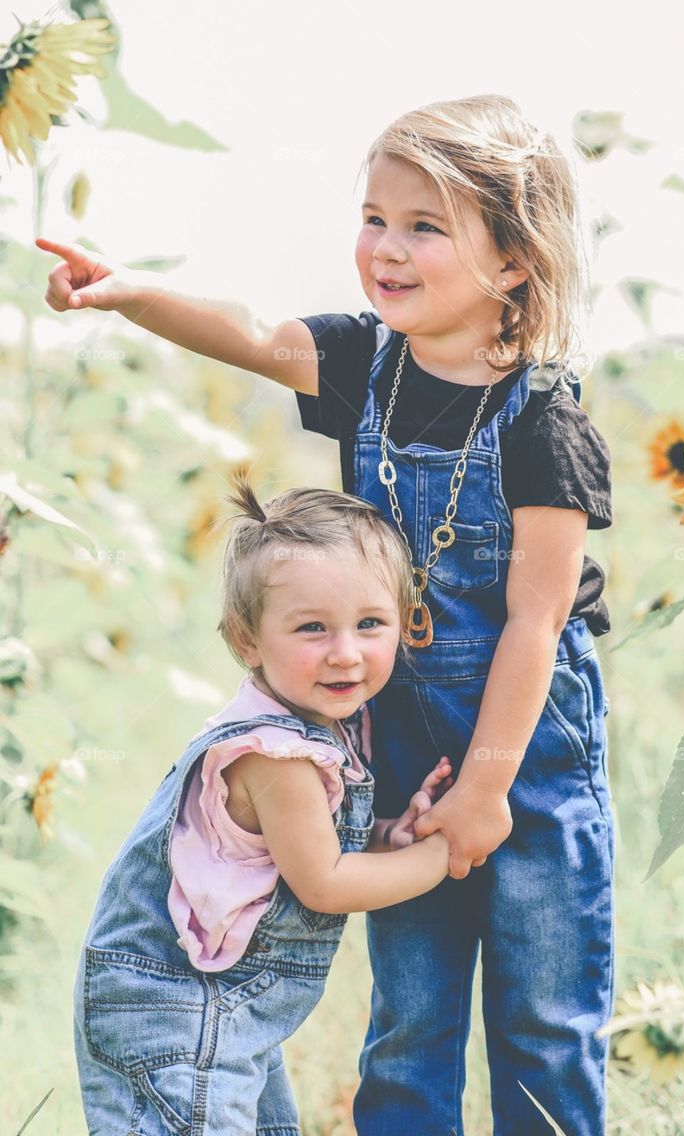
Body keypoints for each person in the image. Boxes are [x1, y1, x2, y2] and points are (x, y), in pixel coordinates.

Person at [40, 91, 616, 1135]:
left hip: (528, 757)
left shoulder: (547, 427)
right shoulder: (364, 368)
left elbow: (534, 625)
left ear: (516, 261)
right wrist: (127, 294)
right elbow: (252, 334)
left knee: (543, 1013)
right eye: (375, 218)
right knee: (412, 1011)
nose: (384, 249)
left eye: (424, 226)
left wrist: (487, 793)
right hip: (399, 746)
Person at [71, 476, 453, 1135]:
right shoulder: (276, 755)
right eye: (312, 628)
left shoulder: (318, 721)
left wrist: (396, 832)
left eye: (369, 624)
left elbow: (307, 848)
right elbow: (325, 880)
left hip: (223, 1003)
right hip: (175, 1007)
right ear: (246, 641)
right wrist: (444, 853)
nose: (345, 652)